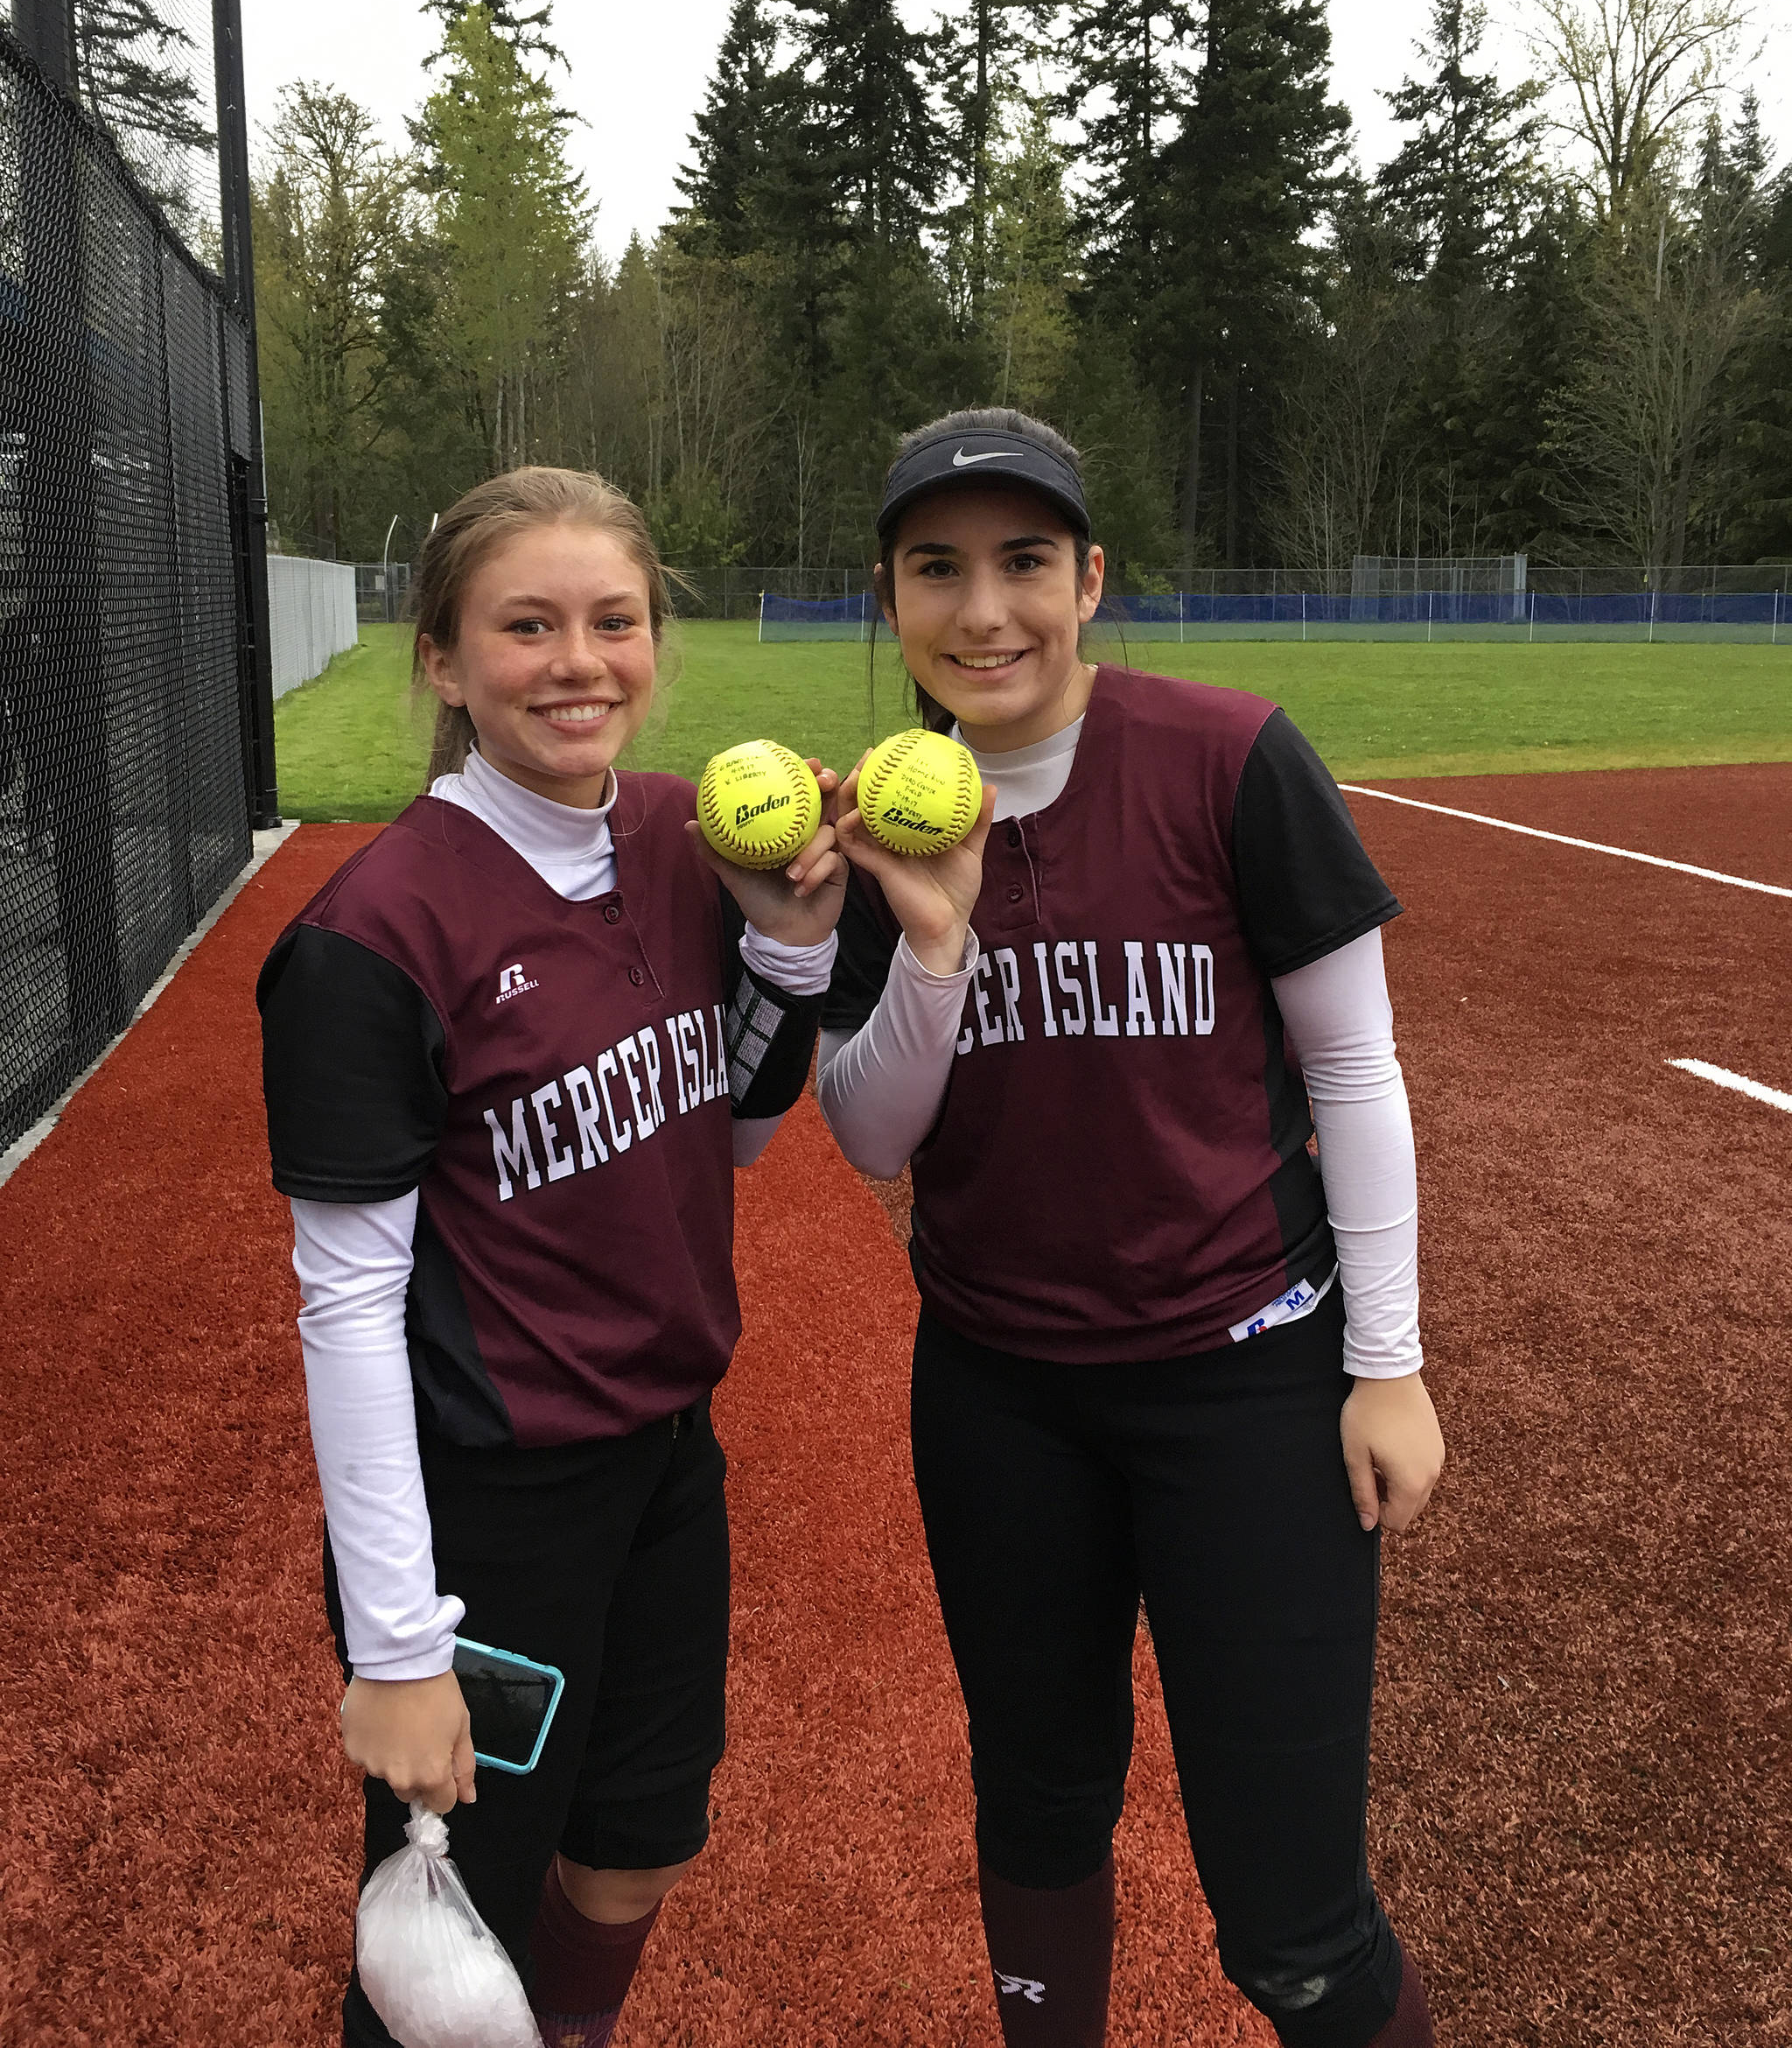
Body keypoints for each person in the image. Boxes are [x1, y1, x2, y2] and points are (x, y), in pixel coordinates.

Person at [818, 410, 1445, 2048]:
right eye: (936, 571)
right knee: (1034, 1811)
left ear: (1090, 580)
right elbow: (872, 1134)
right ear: (888, 599)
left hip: (1249, 1388)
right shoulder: (875, 826)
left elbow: (1355, 1067)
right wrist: (934, 939)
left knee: (1293, 1924)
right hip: (1001, 1394)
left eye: (1025, 563)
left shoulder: (1227, 758)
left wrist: (1386, 1365)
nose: (984, 613)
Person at [258, 466, 844, 2048]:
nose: (579, 661)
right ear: (444, 661)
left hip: (665, 1458)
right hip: (489, 1506)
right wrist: (395, 1648)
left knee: (644, 1834)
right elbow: (349, 1298)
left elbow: (724, 1123)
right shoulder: (373, 935)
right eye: (527, 625)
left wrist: (792, 948)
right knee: (450, 1928)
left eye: (615, 621)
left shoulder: (673, 830)